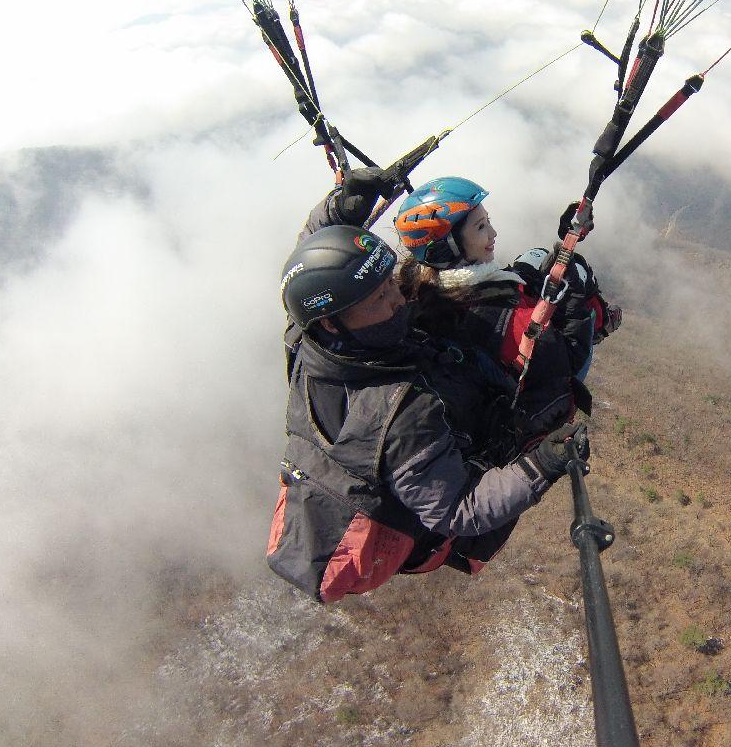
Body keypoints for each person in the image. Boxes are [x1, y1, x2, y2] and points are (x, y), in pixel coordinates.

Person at [266, 172, 588, 603]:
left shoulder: (305, 339)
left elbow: (309, 263)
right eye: (379, 299)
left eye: (389, 285)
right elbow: (458, 510)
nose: (400, 298)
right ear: (332, 321)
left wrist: (343, 206)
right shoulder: (400, 411)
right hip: (423, 516)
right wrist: (541, 465)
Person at [392, 177, 622, 444]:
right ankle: (601, 323)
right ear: (448, 247)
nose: (493, 234)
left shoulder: (417, 288)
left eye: (487, 221)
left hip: (500, 351)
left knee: (535, 256)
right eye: (480, 227)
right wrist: (575, 306)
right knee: (577, 272)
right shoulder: (505, 322)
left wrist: (560, 248)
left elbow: (496, 286)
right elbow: (568, 367)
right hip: (533, 391)